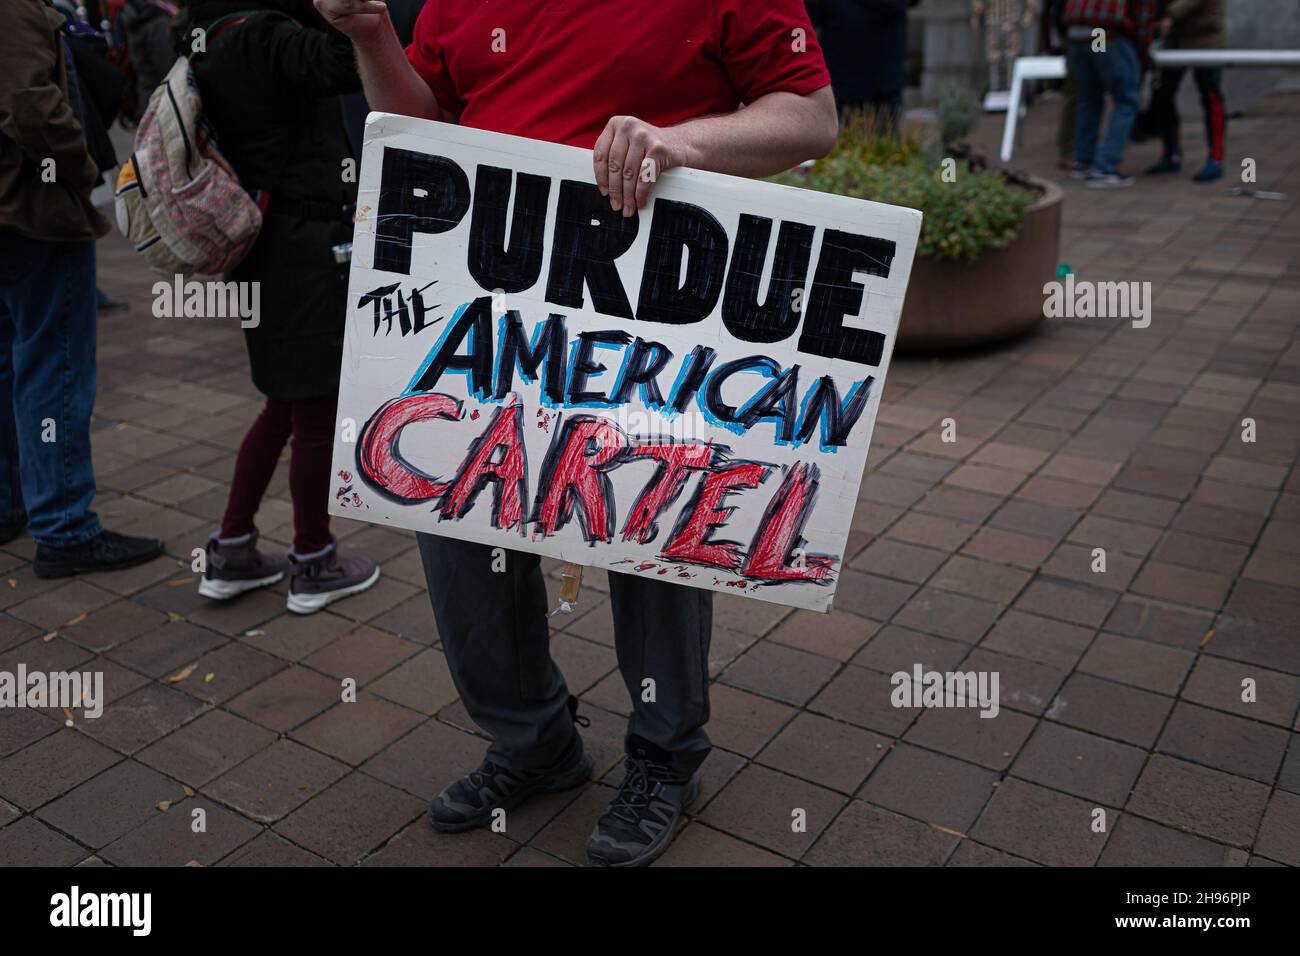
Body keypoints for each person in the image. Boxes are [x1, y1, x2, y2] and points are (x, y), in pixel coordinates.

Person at [316, 0, 838, 867]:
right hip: (484, 304)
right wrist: (370, 33)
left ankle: (664, 759)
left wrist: (681, 142)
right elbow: (426, 129)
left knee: (654, 528)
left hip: (649, 311)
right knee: (456, 524)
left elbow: (809, 114)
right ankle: (534, 745)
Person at [181, 0, 379, 614]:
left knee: (281, 402)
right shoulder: (266, 36)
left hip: (257, 238)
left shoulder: (205, 36)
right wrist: (337, 14)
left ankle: (233, 548)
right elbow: (350, 59)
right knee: (316, 406)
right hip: (303, 246)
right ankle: (313, 561)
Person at [1, 0, 164, 577]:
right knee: (54, 365)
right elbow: (28, 104)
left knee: (15, 362)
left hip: (16, 214)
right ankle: (64, 526)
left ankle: (15, 505)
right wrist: (78, 165)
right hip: (34, 213)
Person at [1064, 0, 1162, 189]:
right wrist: (1142, 51)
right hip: (1101, 34)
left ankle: (1083, 162)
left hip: (1078, 34)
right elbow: (1144, 15)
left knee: (1090, 96)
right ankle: (1104, 168)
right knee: (1126, 101)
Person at [808, 0, 916, 136]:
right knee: (836, 148)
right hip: (840, 87)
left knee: (885, 150)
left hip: (883, 89)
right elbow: (809, 16)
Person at [1145, 0, 1225, 182]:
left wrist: (1169, 15)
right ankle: (1171, 153)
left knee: (1211, 98)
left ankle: (1216, 159)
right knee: (1162, 95)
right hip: (1175, 40)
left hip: (1206, 40)